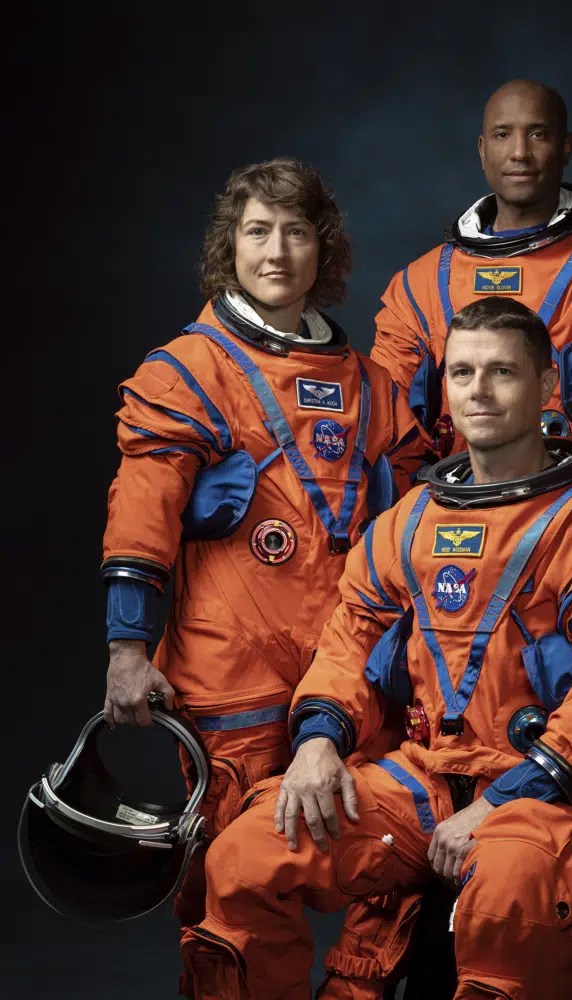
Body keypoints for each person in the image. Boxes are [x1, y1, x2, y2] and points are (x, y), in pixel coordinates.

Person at [179, 296, 572, 1000]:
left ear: (545, 389)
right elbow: (348, 641)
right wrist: (320, 739)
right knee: (244, 855)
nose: (477, 390)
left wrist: (506, 796)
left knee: (507, 889)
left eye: (502, 372)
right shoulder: (409, 522)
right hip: (429, 780)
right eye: (463, 372)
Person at [100, 157, 426, 989]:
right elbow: (142, 515)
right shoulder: (186, 372)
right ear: (229, 247)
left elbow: (430, 518)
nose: (276, 250)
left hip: (353, 675)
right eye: (257, 232)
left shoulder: (373, 389)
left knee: (381, 862)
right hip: (229, 681)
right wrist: (127, 647)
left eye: (295, 231)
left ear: (325, 249)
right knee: (231, 886)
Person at [370, 78, 572, 486]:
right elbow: (384, 409)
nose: (519, 153)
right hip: (448, 510)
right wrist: (415, 504)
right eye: (503, 135)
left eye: (538, 134)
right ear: (483, 150)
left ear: (566, 147)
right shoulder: (420, 284)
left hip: (569, 509)